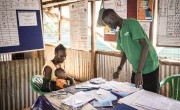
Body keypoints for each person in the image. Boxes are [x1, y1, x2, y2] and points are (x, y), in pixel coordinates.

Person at [102, 9, 160, 93]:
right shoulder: (119, 34)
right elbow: (125, 53)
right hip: (137, 69)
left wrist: (139, 71)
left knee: (151, 97)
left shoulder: (131, 23)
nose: (109, 26)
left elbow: (145, 45)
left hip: (149, 67)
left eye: (109, 23)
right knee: (134, 94)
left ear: (113, 17)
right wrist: (119, 69)